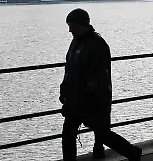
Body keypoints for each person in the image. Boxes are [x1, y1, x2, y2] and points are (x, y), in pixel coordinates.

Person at [60, 8, 142, 161]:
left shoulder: (97, 44)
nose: (69, 29)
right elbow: (69, 69)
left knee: (103, 134)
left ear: (81, 25)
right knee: (69, 133)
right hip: (75, 98)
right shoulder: (76, 42)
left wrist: (85, 96)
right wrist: (64, 90)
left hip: (91, 101)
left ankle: (132, 152)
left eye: (71, 25)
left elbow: (99, 77)